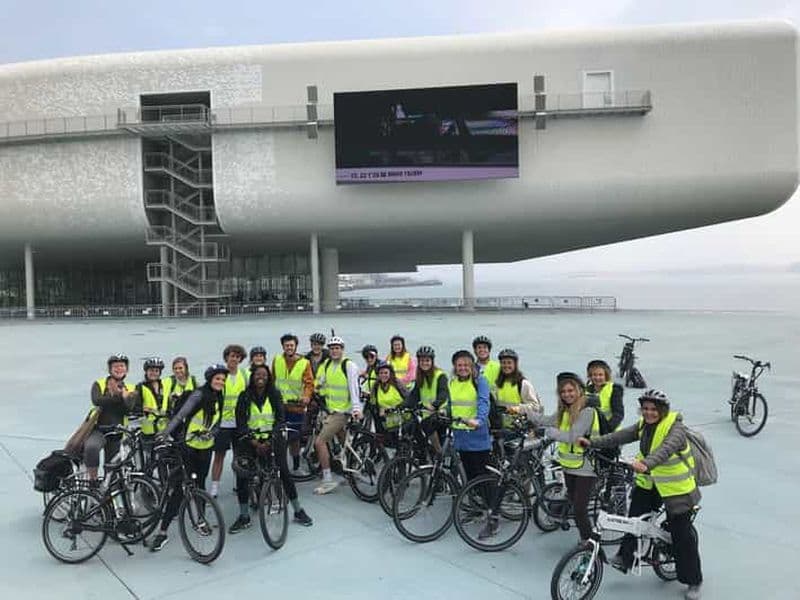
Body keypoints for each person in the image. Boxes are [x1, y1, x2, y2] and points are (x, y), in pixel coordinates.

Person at [578, 389, 703, 600]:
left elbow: (665, 449)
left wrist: (645, 463)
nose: (649, 413)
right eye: (645, 408)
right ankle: (626, 557)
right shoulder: (644, 425)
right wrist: (593, 442)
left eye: (654, 409)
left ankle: (693, 580)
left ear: (662, 410)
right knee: (634, 518)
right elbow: (620, 435)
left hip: (677, 489)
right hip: (650, 482)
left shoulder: (676, 427)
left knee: (682, 534)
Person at [508, 372, 600, 545]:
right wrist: (523, 412)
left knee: (580, 510)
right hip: (570, 464)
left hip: (587, 466)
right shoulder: (564, 411)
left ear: (578, 390)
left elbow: (573, 436)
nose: (567, 394)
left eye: (570, 390)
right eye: (563, 391)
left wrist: (547, 432)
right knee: (572, 499)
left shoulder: (587, 411)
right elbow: (546, 420)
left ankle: (589, 545)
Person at [149, 363, 227, 552]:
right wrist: (166, 433)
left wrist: (212, 434)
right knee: (179, 490)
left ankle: (200, 520)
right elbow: (181, 415)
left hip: (205, 448)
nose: (220, 382)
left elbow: (218, 422)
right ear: (210, 379)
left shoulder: (219, 396)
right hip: (188, 447)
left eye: (223, 380)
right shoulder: (199, 395)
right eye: (217, 379)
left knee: (200, 485)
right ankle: (162, 532)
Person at [229, 364, 313, 533]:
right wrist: (253, 441)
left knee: (283, 472)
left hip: (272, 439)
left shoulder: (274, 394)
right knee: (242, 476)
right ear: (252, 377)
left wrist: (269, 440)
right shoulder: (244, 396)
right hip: (251, 440)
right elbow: (241, 422)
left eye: (265, 375)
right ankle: (244, 515)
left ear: (268, 378)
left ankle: (298, 510)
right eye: (258, 375)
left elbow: (280, 418)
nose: (261, 377)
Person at [313, 336, 363, 494]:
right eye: (332, 348)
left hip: (342, 412)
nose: (334, 351)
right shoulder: (327, 364)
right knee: (343, 441)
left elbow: (354, 389)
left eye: (337, 348)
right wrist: (318, 388)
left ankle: (327, 480)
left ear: (342, 349)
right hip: (331, 409)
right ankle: (354, 468)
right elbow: (320, 382)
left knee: (319, 442)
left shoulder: (349, 365)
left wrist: (356, 408)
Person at [84, 354, 139, 482]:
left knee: (113, 469)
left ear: (126, 369)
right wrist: (121, 397)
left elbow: (128, 409)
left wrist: (125, 399)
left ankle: (108, 494)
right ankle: (92, 482)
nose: (119, 368)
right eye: (115, 366)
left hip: (118, 432)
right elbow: (97, 400)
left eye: (122, 366)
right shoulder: (99, 384)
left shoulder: (131, 388)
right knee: (91, 448)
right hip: (99, 429)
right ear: (110, 369)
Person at [271, 333, 314, 473]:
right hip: (279, 406)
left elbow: (309, 383)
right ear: (282, 346)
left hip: (296, 407)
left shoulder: (304, 363)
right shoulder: (277, 360)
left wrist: (306, 396)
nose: (289, 348)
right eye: (286, 345)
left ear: (295, 346)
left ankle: (296, 466)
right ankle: (278, 466)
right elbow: (271, 380)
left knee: (294, 438)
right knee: (278, 437)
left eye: (291, 345)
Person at [210, 344, 248, 498]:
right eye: (232, 356)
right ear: (226, 357)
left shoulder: (245, 375)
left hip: (239, 423)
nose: (234, 359)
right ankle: (214, 487)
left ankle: (237, 483)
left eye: (238, 357)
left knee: (239, 456)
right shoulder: (220, 376)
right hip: (223, 423)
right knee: (219, 456)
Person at [404, 346, 449, 452]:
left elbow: (443, 393)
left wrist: (434, 405)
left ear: (432, 361)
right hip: (427, 415)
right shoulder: (421, 377)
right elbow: (414, 396)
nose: (425, 363)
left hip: (441, 414)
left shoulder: (440, 375)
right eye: (422, 361)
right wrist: (401, 406)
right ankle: (423, 455)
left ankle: (439, 454)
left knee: (428, 427)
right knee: (410, 427)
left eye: (427, 360)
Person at [494, 349, 542, 429]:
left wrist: (518, 408)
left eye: (509, 363)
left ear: (515, 364)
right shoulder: (498, 385)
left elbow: (536, 407)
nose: (506, 366)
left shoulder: (523, 384)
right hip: (503, 428)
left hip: (520, 428)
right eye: (503, 363)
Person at [137, 357, 167, 456]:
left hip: (163, 429)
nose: (154, 373)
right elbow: (135, 407)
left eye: (156, 371)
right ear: (146, 371)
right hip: (148, 430)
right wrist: (143, 409)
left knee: (163, 457)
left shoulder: (165, 385)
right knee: (148, 459)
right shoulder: (141, 387)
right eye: (151, 370)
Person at [585, 359, 624, 431]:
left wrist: (607, 429)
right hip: (592, 433)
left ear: (606, 375)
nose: (597, 378)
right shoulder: (585, 391)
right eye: (594, 375)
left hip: (610, 433)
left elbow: (618, 414)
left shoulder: (614, 389)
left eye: (600, 375)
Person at [371, 361, 408, 436]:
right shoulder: (376, 386)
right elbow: (373, 402)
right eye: (381, 373)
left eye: (386, 373)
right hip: (388, 421)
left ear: (390, 373)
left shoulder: (397, 383)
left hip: (402, 419)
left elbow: (408, 398)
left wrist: (395, 407)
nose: (383, 375)